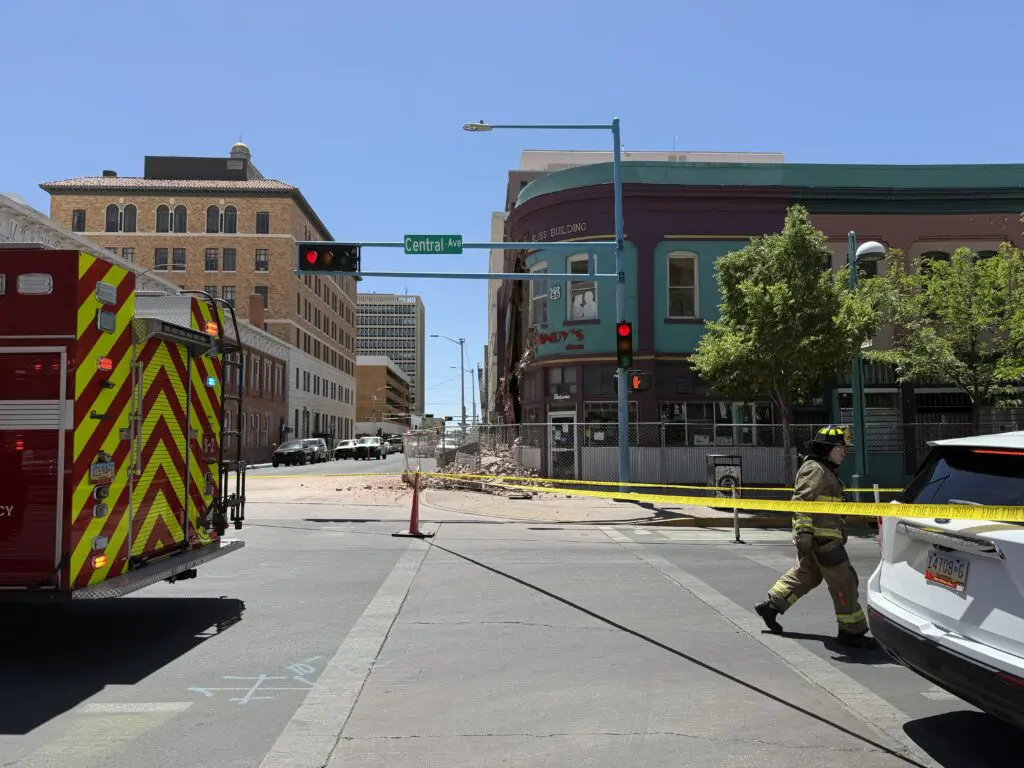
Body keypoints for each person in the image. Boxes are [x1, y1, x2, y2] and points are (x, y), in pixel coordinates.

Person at [754, 425, 878, 650]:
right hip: (823, 542)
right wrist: (803, 533)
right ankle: (851, 631)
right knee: (845, 582)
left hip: (820, 540)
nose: (844, 452)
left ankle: (771, 606)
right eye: (840, 447)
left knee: (808, 575)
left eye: (845, 448)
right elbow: (802, 501)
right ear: (826, 448)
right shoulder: (816, 469)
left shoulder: (825, 469)